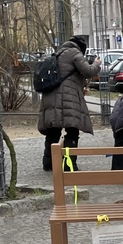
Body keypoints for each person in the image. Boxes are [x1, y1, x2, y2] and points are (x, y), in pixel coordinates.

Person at [38, 34, 102, 172]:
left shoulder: (58, 53)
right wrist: (96, 64)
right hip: (68, 99)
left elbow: (69, 76)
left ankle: (48, 163)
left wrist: (79, 87)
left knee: (53, 132)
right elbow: (88, 71)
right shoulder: (74, 53)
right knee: (72, 131)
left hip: (51, 97)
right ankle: (69, 164)